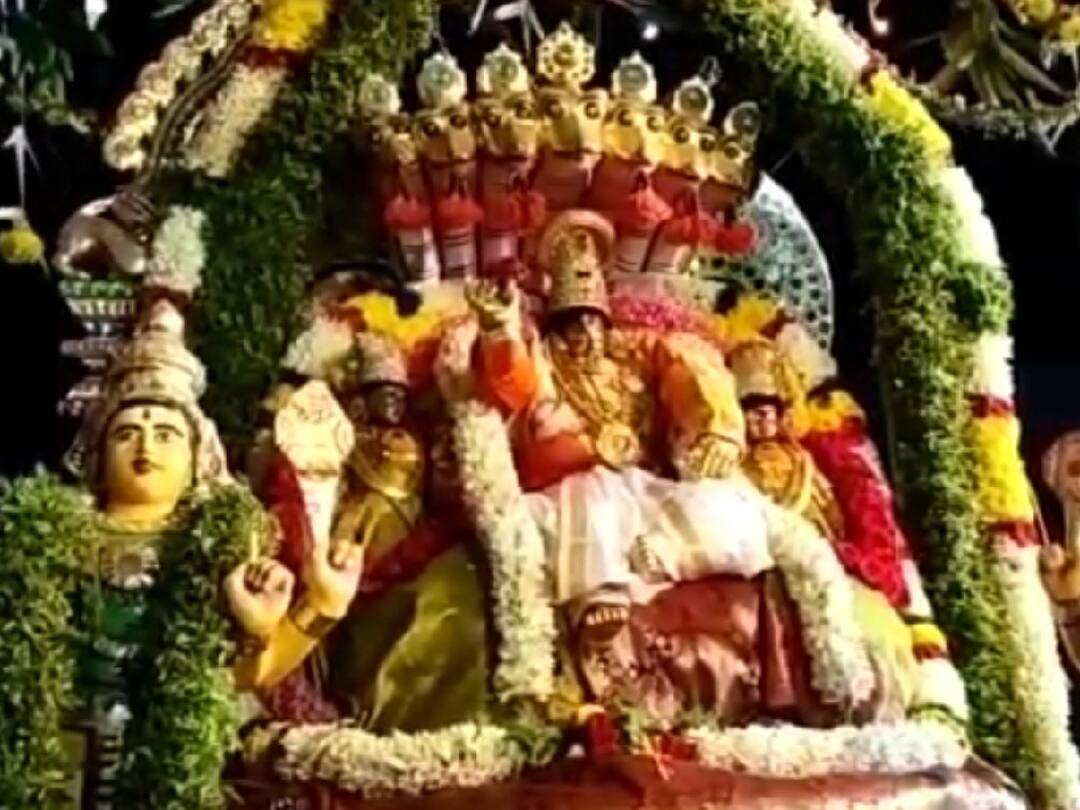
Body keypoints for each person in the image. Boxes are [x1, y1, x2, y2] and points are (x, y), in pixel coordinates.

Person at [49, 300, 363, 808]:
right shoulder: (55, 536)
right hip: (62, 744)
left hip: (169, 750)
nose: (145, 446)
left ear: (199, 457)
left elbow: (240, 676)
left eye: (166, 434)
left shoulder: (217, 547)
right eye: (127, 432)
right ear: (98, 454)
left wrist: (318, 606)